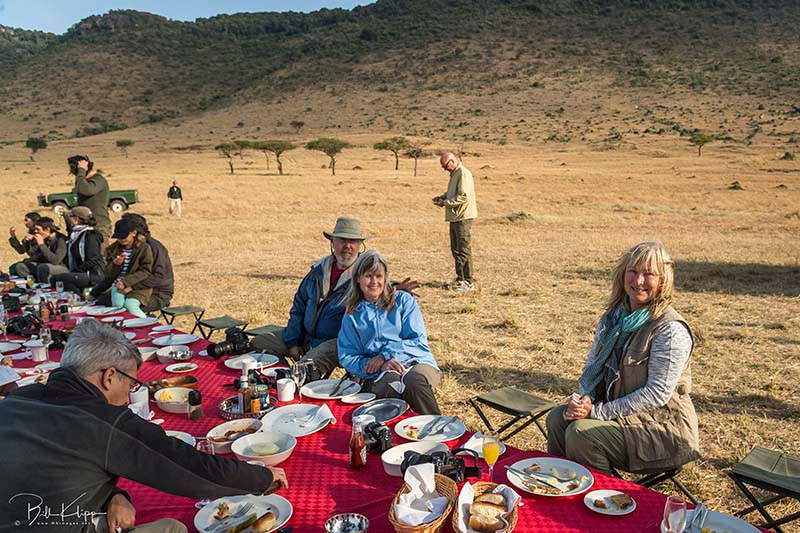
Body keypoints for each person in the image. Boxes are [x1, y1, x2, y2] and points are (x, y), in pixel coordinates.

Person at [0, 319, 287, 532]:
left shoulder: (16, 400)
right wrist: (261, 478)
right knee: (174, 528)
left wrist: (114, 494)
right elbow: (188, 468)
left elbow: (59, 464)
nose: (129, 396)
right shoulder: (105, 420)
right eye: (132, 383)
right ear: (109, 377)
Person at [546, 241, 700, 474]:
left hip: (661, 428)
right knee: (558, 419)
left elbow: (656, 394)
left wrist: (596, 413)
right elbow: (592, 367)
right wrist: (584, 401)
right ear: (622, 274)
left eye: (648, 274)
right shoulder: (613, 319)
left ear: (663, 281)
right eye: (633, 271)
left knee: (580, 434)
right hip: (623, 416)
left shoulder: (670, 329)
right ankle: (558, 489)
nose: (638, 281)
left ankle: (603, 501)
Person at [252, 217, 419, 380]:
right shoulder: (317, 270)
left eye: (352, 241)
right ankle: (275, 377)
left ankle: (293, 386)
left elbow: (377, 290)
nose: (347, 246)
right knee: (259, 343)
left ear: (360, 245)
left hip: (339, 340)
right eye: (342, 240)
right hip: (305, 335)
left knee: (306, 367)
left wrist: (395, 288)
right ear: (332, 242)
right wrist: (293, 340)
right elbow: (299, 305)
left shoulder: (363, 273)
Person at [338, 250, 441, 415]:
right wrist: (374, 366)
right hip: (377, 373)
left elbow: (417, 341)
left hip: (416, 362)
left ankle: (437, 430)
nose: (374, 281)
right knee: (389, 382)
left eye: (379, 276)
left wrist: (384, 356)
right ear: (357, 278)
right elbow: (348, 355)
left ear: (385, 278)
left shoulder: (403, 301)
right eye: (368, 276)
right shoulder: (352, 313)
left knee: (413, 381)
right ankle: (391, 436)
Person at [432, 151, 477, 291]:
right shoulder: (455, 174)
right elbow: (453, 193)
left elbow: (463, 196)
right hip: (455, 217)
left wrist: (445, 203)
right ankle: (460, 278)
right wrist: (442, 197)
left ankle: (468, 281)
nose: (445, 169)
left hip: (462, 217)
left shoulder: (463, 174)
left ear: (452, 161)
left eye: (445, 166)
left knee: (463, 249)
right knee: (456, 249)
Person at [90, 218, 152, 318]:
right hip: (117, 286)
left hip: (137, 287)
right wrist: (116, 265)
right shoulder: (113, 249)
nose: (121, 239)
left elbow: (146, 271)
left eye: (124, 236)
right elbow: (108, 275)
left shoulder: (143, 248)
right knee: (117, 307)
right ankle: (124, 327)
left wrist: (126, 282)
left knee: (130, 306)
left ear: (133, 233)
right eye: (118, 237)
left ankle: (148, 325)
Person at [120, 213, 174, 313]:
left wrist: (132, 287)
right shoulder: (129, 246)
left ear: (134, 232)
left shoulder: (154, 248)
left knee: (126, 308)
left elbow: (157, 277)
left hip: (158, 293)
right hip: (135, 290)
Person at [49, 206, 105, 294]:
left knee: (58, 279)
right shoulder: (76, 234)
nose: (69, 219)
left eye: (70, 217)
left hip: (93, 274)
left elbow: (93, 260)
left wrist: (76, 271)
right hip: (82, 271)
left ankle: (80, 299)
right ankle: (76, 298)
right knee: (60, 279)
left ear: (76, 219)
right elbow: (69, 228)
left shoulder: (90, 236)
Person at [69, 155, 111, 242]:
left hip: (99, 226)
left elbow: (86, 190)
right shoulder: (84, 181)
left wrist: (81, 171)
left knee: (97, 254)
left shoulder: (98, 180)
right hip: (85, 225)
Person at [16, 217, 68, 283]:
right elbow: (33, 255)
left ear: (47, 230)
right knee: (21, 266)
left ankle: (45, 288)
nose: (35, 231)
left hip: (61, 267)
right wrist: (27, 243)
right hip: (44, 265)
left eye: (38, 229)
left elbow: (56, 260)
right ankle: (32, 286)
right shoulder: (44, 238)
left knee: (43, 268)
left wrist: (41, 245)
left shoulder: (60, 240)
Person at [7, 211, 41, 276]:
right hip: (32, 261)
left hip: (40, 262)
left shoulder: (42, 234)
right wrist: (13, 236)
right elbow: (21, 250)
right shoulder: (29, 235)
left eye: (26, 220)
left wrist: (34, 238)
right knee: (13, 268)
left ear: (34, 221)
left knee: (17, 267)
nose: (24, 223)